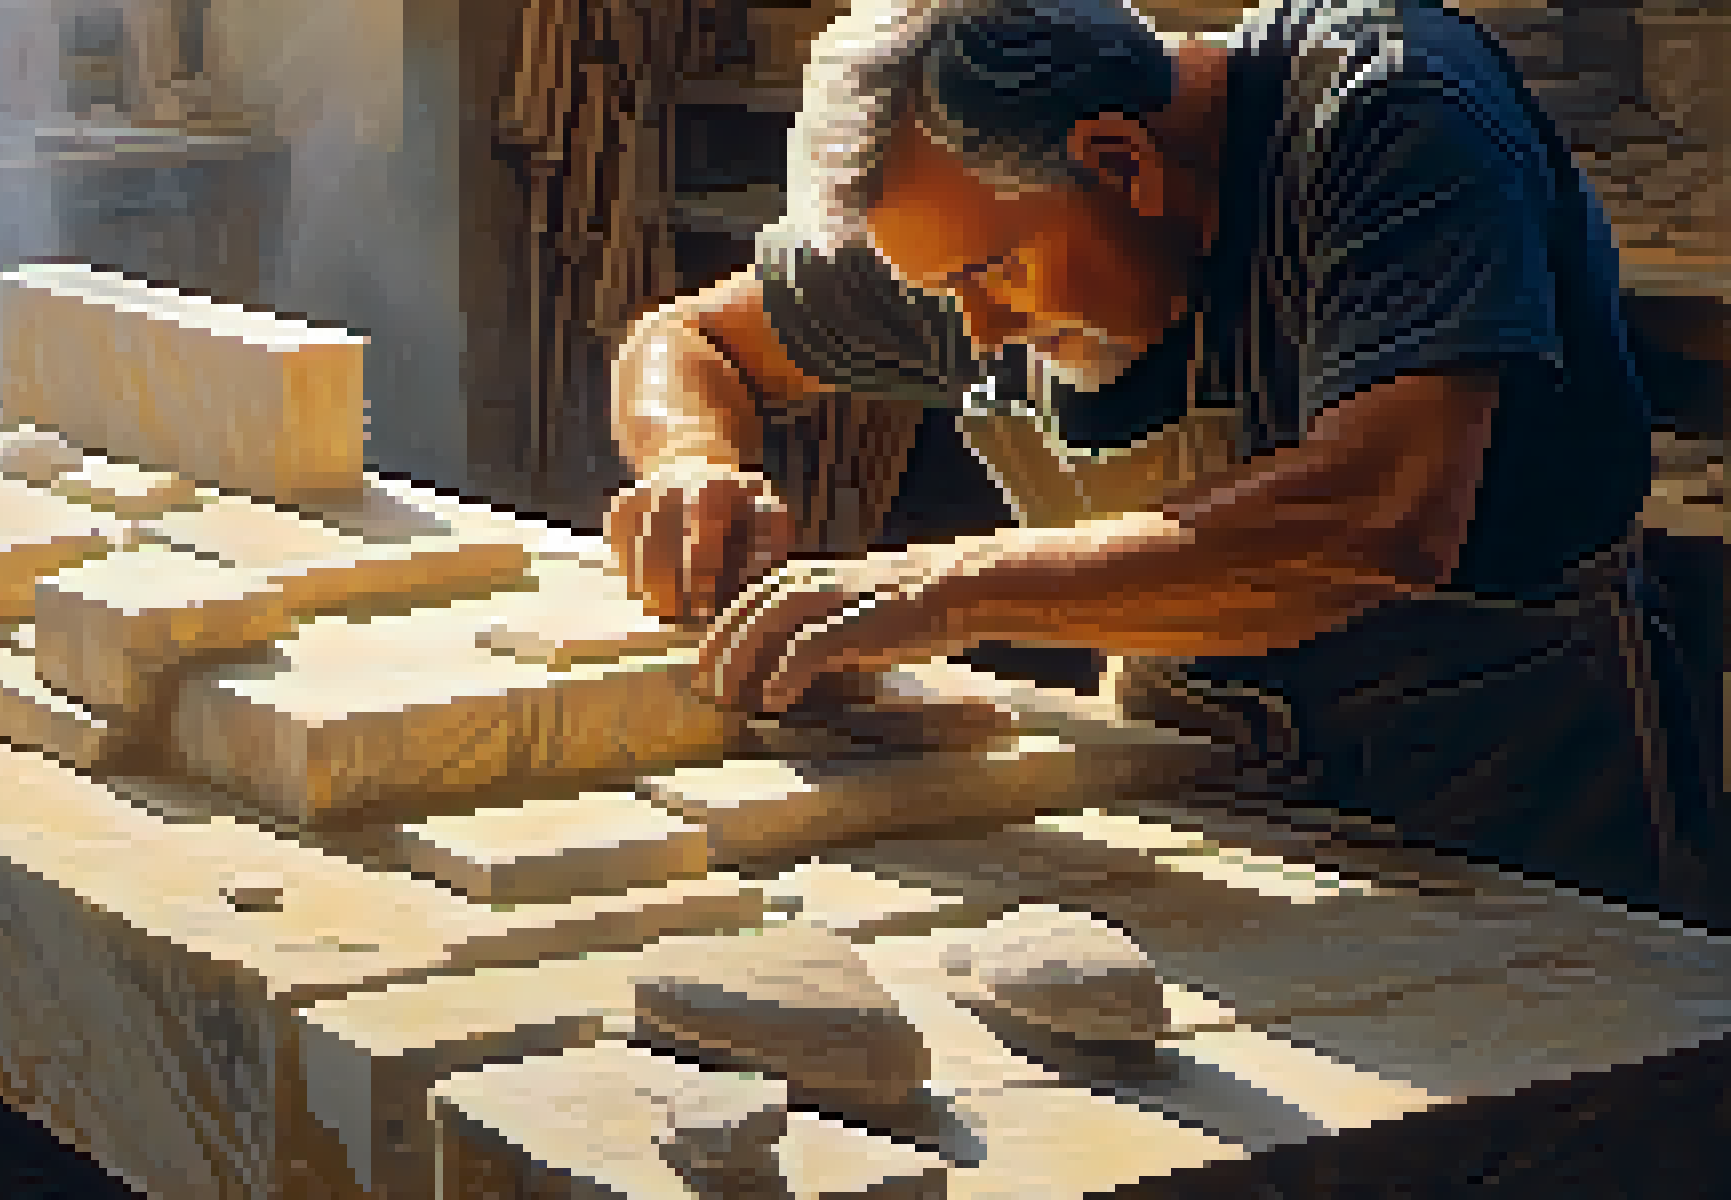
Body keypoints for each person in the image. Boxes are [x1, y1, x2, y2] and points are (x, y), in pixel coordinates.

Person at [604, 0, 1718, 920]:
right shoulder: (966, 217)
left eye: (994, 276)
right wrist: (690, 462)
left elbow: (1381, 515)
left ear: (1122, 159)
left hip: (1500, 772)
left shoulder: (1384, 109)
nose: (977, 332)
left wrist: (942, 588)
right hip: (1189, 772)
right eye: (945, 291)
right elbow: (687, 342)